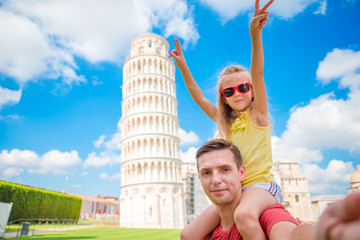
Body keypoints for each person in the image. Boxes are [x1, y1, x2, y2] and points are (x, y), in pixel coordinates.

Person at [170, 0, 279, 239]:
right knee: (188, 234)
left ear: (252, 90)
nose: (237, 93)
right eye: (228, 92)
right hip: (235, 189)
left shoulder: (259, 115)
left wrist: (255, 34)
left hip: (261, 186)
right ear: (224, 98)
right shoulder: (226, 123)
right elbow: (198, 96)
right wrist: (182, 66)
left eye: (243, 87)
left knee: (244, 216)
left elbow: (257, 71)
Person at [192, 139, 315, 240]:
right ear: (200, 178)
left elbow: (288, 233)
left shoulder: (266, 217)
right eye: (206, 172)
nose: (215, 180)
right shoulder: (205, 233)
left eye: (225, 170)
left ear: (241, 173)